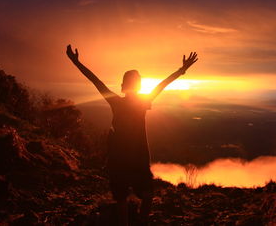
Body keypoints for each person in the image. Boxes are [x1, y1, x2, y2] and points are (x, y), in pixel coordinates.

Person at [66, 45, 198, 225]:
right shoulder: (143, 102)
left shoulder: (117, 102)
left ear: (123, 86)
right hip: (138, 157)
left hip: (120, 157)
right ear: (138, 86)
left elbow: (95, 81)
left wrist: (76, 62)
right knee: (145, 194)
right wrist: (182, 70)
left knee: (122, 198)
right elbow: (162, 84)